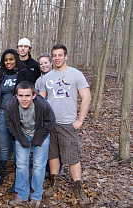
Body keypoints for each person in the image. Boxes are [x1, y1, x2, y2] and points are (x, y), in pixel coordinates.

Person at [38, 44, 91, 206]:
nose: (57, 58)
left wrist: (80, 120)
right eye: (54, 55)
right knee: (52, 155)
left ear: (66, 56)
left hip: (68, 123)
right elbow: (40, 101)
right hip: (50, 124)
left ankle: (78, 187)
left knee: (72, 157)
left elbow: (86, 97)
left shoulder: (75, 74)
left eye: (60, 55)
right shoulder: (46, 78)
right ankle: (54, 184)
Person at [6, 81, 56, 207]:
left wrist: (38, 138)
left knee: (39, 166)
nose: (24, 99)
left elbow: (51, 122)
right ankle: (22, 194)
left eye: (27, 96)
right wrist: (19, 137)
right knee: (21, 165)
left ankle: (36, 196)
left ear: (33, 95)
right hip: (22, 133)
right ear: (16, 95)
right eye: (21, 95)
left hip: (40, 134)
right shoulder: (11, 105)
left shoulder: (42, 105)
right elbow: (9, 123)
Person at [0, 49, 26, 185]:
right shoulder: (1, 75)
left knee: (19, 147)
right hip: (2, 114)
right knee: (3, 146)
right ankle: (1, 175)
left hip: (19, 115)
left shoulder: (23, 74)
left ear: (16, 59)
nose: (8, 62)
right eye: (6, 60)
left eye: (11, 59)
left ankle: (20, 178)